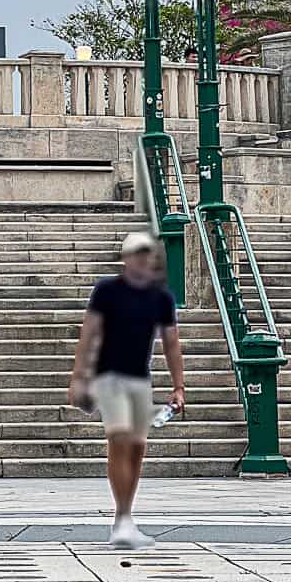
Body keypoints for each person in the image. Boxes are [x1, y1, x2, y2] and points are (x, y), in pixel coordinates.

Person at [69, 230, 185, 549]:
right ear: (126, 258)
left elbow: (171, 342)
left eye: (146, 253)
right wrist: (79, 376)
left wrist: (178, 386)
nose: (142, 259)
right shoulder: (107, 290)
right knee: (119, 440)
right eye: (136, 253)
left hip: (139, 378)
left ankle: (126, 515)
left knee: (137, 448)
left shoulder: (161, 296)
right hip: (109, 376)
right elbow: (89, 333)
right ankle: (120, 519)